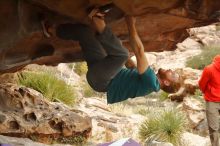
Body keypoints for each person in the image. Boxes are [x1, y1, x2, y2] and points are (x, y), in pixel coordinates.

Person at [56, 9, 182, 104]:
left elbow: (139, 50)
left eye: (173, 74)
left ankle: (96, 17)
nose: (171, 70)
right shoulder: (149, 80)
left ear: (166, 82)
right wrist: (121, 51)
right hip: (102, 73)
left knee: (122, 54)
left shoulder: (151, 83)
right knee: (85, 33)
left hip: (102, 80)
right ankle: (52, 29)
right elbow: (131, 66)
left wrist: (130, 23)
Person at [199, 55, 220, 146]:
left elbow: (201, 84)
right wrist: (209, 92)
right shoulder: (209, 69)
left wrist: (207, 92)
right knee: (214, 128)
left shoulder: (209, 68)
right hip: (212, 101)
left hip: (211, 99)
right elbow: (202, 84)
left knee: (214, 129)